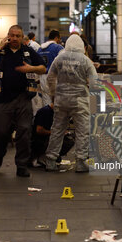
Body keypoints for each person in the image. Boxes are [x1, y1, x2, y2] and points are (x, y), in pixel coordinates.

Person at [0, 25, 46, 177]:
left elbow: (43, 68)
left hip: (23, 98)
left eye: (17, 36)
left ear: (22, 38)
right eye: (12, 35)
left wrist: (31, 68)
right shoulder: (1, 50)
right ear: (7, 36)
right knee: (1, 131)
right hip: (2, 99)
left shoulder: (27, 51)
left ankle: (21, 165)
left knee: (24, 132)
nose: (14, 38)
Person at [44, 34, 97, 172]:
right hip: (80, 101)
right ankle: (80, 161)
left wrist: (53, 94)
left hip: (61, 99)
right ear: (81, 46)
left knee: (57, 129)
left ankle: (50, 160)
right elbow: (95, 82)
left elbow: (50, 77)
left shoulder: (59, 58)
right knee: (82, 131)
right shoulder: (85, 60)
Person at [37, 30, 64, 106]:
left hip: (42, 78)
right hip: (55, 78)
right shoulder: (58, 48)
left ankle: (48, 117)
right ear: (56, 38)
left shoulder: (40, 49)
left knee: (46, 102)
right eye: (59, 38)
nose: (60, 40)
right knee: (57, 102)